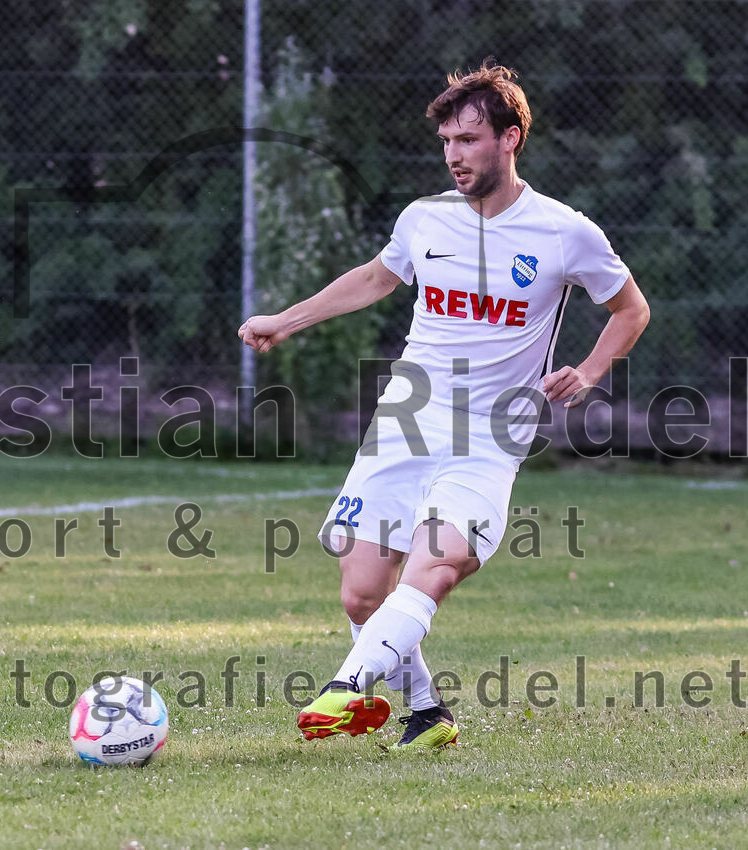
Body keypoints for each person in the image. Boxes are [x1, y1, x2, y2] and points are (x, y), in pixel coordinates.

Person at [237, 61, 650, 750]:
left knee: (435, 561)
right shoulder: (424, 219)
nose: (454, 155)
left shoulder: (564, 232)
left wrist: (591, 367)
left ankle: (347, 685)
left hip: (492, 434)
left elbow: (631, 308)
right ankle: (427, 712)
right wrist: (286, 320)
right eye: (447, 143)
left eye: (468, 140)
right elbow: (375, 277)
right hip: (407, 416)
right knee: (361, 592)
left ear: (510, 138)